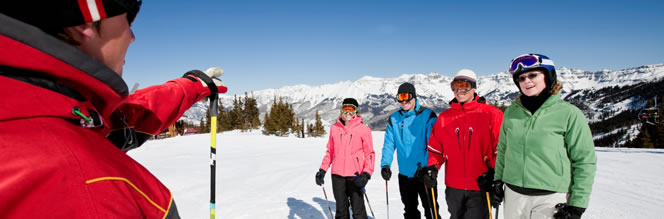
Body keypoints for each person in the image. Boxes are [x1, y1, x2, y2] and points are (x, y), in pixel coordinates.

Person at [0, 1, 227, 218]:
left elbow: (120, 120)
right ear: (83, 22)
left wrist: (189, 87)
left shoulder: (35, 105)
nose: (132, 37)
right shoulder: (90, 184)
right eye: (129, 19)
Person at [493, 54, 597, 219]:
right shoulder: (512, 112)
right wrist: (498, 180)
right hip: (514, 196)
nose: (527, 81)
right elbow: (503, 150)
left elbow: (584, 160)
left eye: (533, 75)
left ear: (548, 77)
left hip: (551, 198)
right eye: (521, 78)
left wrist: (578, 204)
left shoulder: (569, 114)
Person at [423, 69, 504, 219]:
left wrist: (495, 175)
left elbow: (500, 150)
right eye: (455, 86)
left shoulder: (492, 115)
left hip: (481, 185)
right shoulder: (445, 118)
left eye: (464, 86)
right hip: (453, 187)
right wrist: (432, 168)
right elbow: (436, 150)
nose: (459, 90)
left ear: (474, 87)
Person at [380, 82, 440, 219]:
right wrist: (385, 165)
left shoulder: (427, 115)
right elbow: (389, 145)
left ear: (414, 97)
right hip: (405, 175)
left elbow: (434, 144)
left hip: (424, 173)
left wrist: (432, 167)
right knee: (410, 211)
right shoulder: (394, 119)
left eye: (407, 96)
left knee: (431, 211)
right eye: (400, 97)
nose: (404, 101)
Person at [316, 98, 375, 219]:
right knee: (341, 212)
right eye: (345, 109)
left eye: (351, 109)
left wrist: (366, 174)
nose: (348, 113)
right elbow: (330, 151)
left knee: (358, 211)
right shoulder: (334, 128)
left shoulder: (363, 129)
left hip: (356, 175)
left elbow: (370, 153)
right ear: (341, 110)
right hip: (337, 175)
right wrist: (322, 170)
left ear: (356, 111)